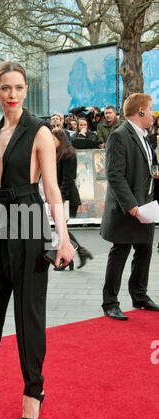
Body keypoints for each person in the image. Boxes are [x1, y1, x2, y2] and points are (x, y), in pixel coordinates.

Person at [0, 61, 75, 419]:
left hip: (27, 219)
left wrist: (62, 238)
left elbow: (52, 189)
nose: (12, 95)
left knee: (28, 314)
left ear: (26, 91)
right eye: (6, 88)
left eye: (19, 88)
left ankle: (33, 391)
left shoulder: (40, 132)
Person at [101, 93, 159, 320]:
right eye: (151, 109)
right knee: (120, 252)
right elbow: (114, 175)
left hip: (146, 206)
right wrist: (132, 205)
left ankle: (139, 295)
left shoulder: (145, 137)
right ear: (141, 111)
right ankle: (110, 302)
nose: (153, 114)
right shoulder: (119, 136)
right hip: (128, 209)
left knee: (144, 250)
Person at [52, 128, 93, 270]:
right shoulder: (59, 153)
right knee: (60, 229)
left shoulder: (68, 154)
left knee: (61, 229)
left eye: (53, 139)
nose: (51, 142)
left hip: (67, 197)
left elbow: (68, 179)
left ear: (60, 139)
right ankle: (73, 257)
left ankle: (77, 253)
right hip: (62, 196)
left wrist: (60, 199)